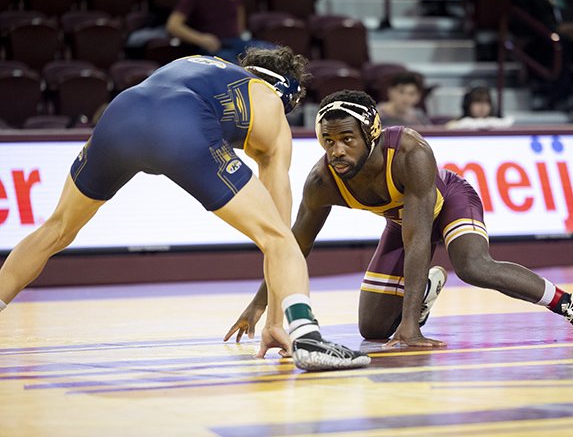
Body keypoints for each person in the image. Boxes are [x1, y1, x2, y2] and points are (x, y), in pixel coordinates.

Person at [0, 47, 370, 372]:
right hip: (182, 125)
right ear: (286, 95)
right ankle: (306, 337)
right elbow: (280, 233)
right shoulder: (270, 103)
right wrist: (275, 320)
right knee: (278, 238)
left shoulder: (202, 67)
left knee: (57, 229)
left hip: (121, 113)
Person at [227, 90, 573, 347]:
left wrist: (410, 326)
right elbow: (293, 246)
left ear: (371, 134)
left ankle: (571, 304)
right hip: (403, 221)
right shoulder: (321, 180)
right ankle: (422, 293)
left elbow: (419, 240)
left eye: (347, 139)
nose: (336, 150)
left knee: (474, 266)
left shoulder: (410, 152)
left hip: (448, 203)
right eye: (328, 140)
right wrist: (260, 305)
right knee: (373, 329)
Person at [446, 86, 514, 129]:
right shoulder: (456, 125)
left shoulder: (503, 123)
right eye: (477, 102)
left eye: (486, 102)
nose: (482, 107)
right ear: (468, 105)